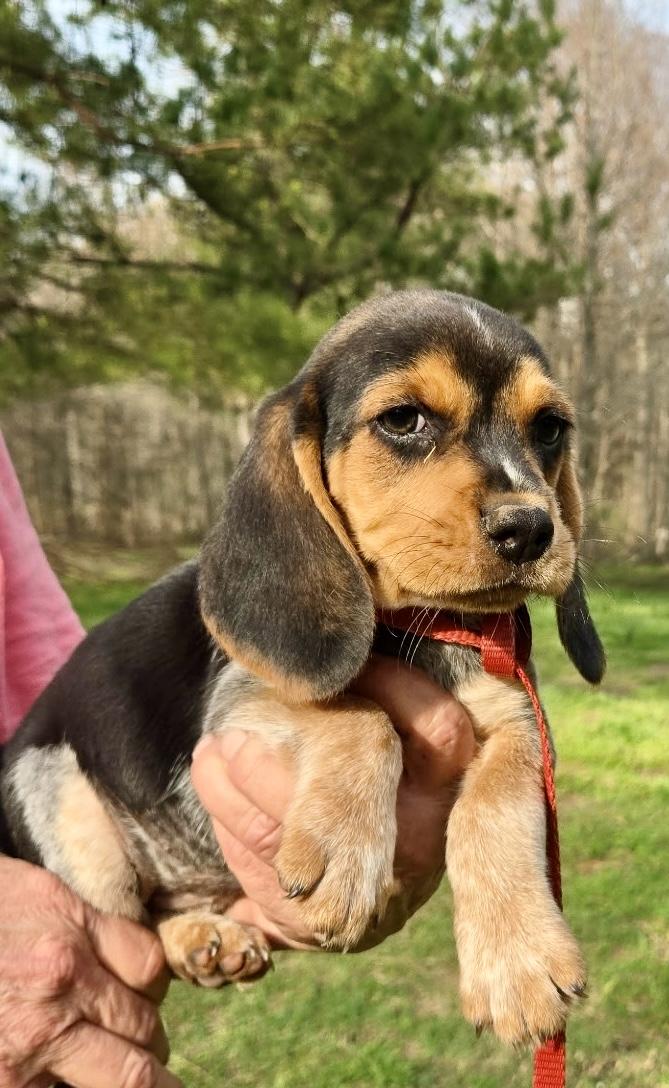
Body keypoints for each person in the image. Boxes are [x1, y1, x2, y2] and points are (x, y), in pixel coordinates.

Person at [0, 431, 475, 1088]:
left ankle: (173, 920)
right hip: (70, 807)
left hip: (117, 798)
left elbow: (42, 680)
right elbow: (43, 749)